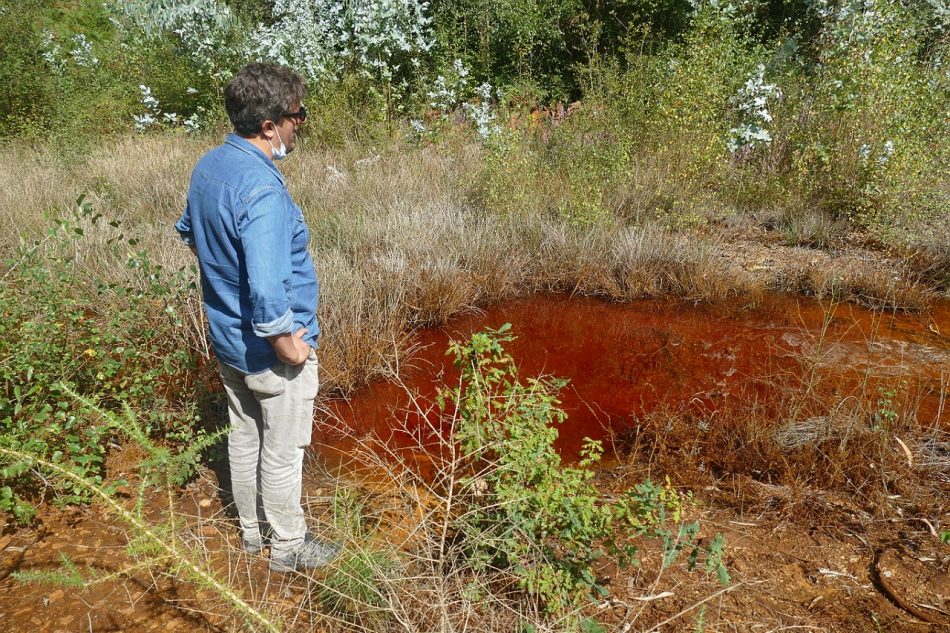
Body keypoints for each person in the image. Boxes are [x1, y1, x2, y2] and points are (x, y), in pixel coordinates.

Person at [175, 62, 337, 573]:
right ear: (270, 125)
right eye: (297, 116)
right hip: (268, 351)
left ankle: (250, 534)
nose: (299, 126)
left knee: (245, 435)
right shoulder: (263, 191)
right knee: (284, 451)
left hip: (227, 340)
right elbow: (269, 291)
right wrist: (291, 346)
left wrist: (224, 279)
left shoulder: (210, 166)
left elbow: (187, 232)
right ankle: (288, 548)